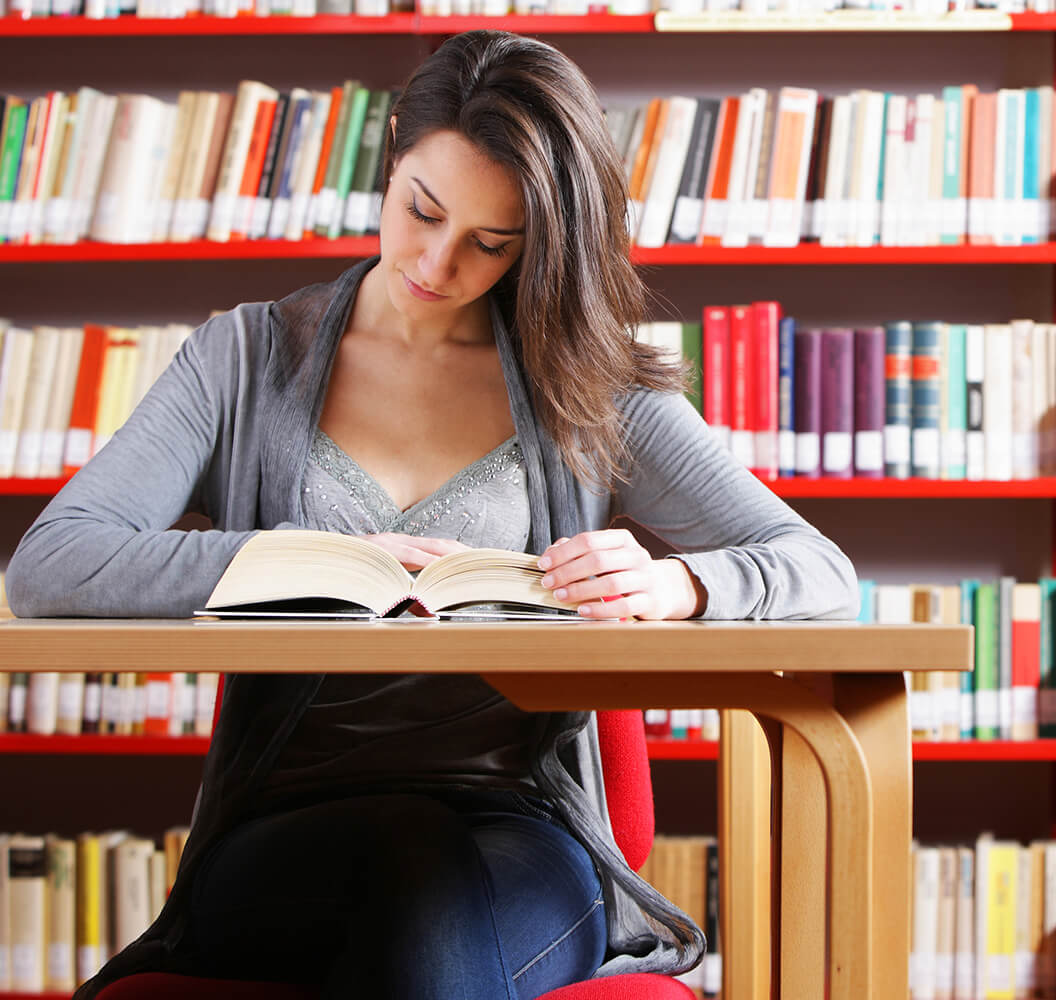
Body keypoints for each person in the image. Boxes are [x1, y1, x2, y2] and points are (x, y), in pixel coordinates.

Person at [5, 29, 858, 1000]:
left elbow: (822, 571)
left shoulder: (586, 388)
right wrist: (288, 561)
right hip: (286, 828)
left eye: (491, 243)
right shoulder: (242, 361)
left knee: (426, 910)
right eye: (422, 211)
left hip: (520, 830)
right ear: (389, 167)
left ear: (537, 245)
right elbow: (52, 564)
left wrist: (682, 582)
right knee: (412, 891)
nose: (437, 262)